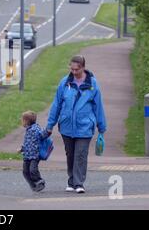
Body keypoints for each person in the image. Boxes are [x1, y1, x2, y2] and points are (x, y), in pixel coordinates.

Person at [46, 55, 107, 194]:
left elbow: (98, 106)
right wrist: (50, 125)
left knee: (80, 154)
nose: (74, 72)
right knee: (70, 155)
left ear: (83, 68)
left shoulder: (93, 84)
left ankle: (79, 183)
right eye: (72, 69)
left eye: (77, 70)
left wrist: (101, 127)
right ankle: (71, 181)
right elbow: (56, 104)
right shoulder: (64, 83)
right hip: (67, 126)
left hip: (85, 126)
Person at [18, 111, 51, 193]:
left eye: (22, 120)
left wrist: (47, 132)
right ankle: (33, 185)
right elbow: (27, 142)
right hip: (27, 155)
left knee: (33, 170)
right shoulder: (28, 130)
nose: (21, 122)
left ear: (26, 121)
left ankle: (40, 182)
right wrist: (22, 148)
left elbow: (42, 135)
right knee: (25, 172)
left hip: (34, 155)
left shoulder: (35, 129)